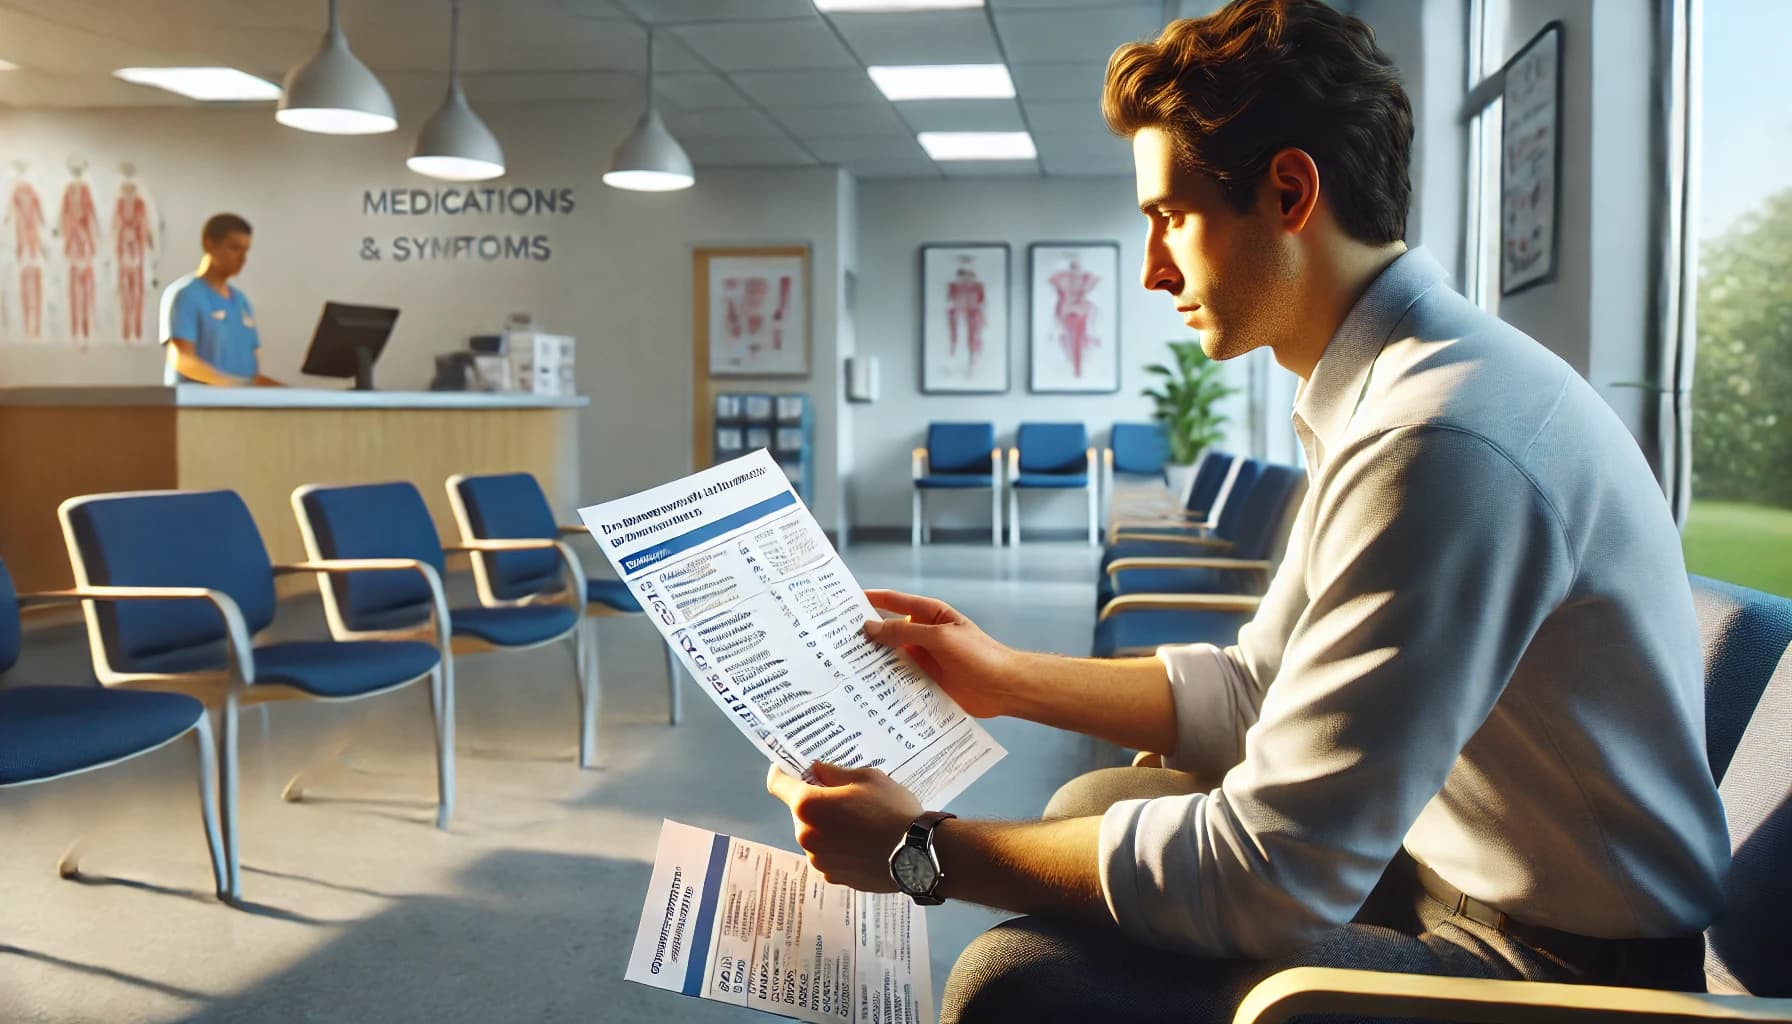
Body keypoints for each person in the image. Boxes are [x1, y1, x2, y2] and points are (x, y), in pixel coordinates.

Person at [764, 1, 1729, 1020]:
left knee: (1014, 985)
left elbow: (1264, 874)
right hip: (1444, 865)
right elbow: (1258, 686)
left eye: (1168, 216)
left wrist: (921, 851)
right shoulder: (1397, 390)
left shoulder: (1440, 440)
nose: (1152, 268)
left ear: (1287, 191)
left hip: (1558, 969)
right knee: (1098, 803)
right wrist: (1004, 679)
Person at [160, 213, 280, 386]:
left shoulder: (241, 302)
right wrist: (231, 386)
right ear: (209, 244)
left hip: (240, 407)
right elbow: (182, 359)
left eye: (245, 251)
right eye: (234, 248)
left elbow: (252, 374)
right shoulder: (185, 295)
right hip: (199, 407)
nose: (242, 259)